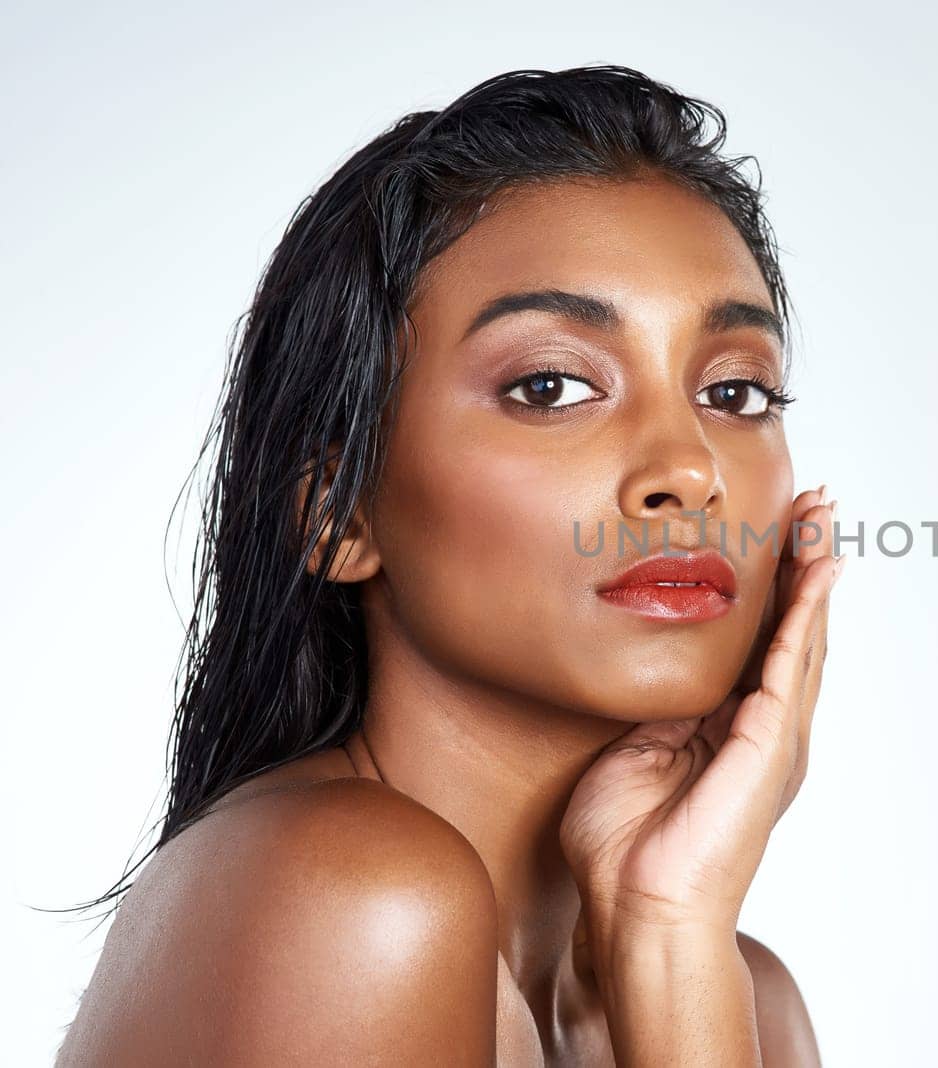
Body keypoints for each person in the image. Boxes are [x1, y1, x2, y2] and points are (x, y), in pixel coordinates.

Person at [56, 64, 839, 1066]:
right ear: (341, 511)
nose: (688, 468)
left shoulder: (738, 991)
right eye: (550, 385)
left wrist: (672, 931)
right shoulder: (346, 896)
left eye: (735, 394)